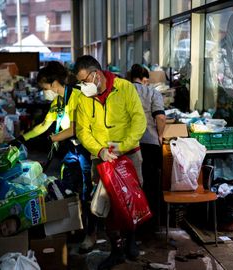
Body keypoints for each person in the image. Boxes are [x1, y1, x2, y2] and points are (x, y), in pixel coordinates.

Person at [10, 61, 96, 252]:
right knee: (67, 188)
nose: (43, 91)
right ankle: (74, 228)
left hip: (85, 149)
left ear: (54, 82)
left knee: (86, 192)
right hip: (70, 151)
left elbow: (75, 128)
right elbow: (43, 125)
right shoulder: (57, 102)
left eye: (44, 87)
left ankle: (91, 233)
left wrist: (55, 137)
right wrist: (21, 138)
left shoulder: (76, 97)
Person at [74, 55, 147, 270]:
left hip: (128, 153)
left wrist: (122, 146)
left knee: (131, 199)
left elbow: (138, 120)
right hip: (101, 157)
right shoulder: (84, 97)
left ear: (96, 75)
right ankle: (116, 250)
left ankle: (131, 240)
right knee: (105, 204)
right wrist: (100, 150)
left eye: (84, 81)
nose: (82, 86)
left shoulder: (124, 88)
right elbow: (82, 130)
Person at [129, 64, 166, 230]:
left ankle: (132, 221)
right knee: (151, 183)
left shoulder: (123, 91)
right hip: (150, 143)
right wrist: (160, 134)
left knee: (130, 184)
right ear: (144, 79)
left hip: (128, 144)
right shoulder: (152, 92)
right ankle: (151, 223)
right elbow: (160, 117)